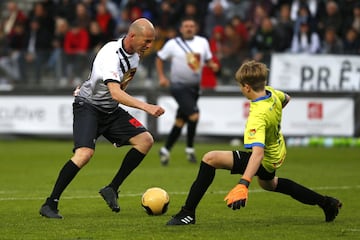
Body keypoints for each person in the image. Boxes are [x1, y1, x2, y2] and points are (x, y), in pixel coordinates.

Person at [166, 60, 342, 225]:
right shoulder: (271, 92)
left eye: (241, 86)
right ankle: (327, 203)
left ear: (247, 87)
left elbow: (257, 154)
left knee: (210, 158)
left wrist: (244, 183)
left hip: (265, 158)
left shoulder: (257, 116)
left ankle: (187, 213)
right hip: (277, 151)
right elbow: (286, 98)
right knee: (269, 184)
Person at [39, 18, 165, 219]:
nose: (150, 46)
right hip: (88, 107)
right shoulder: (111, 53)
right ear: (132, 36)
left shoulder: (134, 56)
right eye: (147, 41)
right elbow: (115, 92)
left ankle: (112, 188)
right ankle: (50, 203)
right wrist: (146, 106)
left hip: (110, 110)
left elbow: (113, 86)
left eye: (152, 41)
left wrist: (88, 82)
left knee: (145, 140)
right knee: (84, 154)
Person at [156, 16, 219, 166]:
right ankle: (190, 148)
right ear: (181, 29)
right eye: (186, 26)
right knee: (194, 115)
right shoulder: (173, 44)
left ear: (195, 28)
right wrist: (162, 77)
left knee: (180, 121)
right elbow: (159, 58)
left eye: (191, 26)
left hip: (195, 87)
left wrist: (212, 65)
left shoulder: (202, 42)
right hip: (178, 86)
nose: (189, 28)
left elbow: (208, 59)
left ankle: (165, 149)